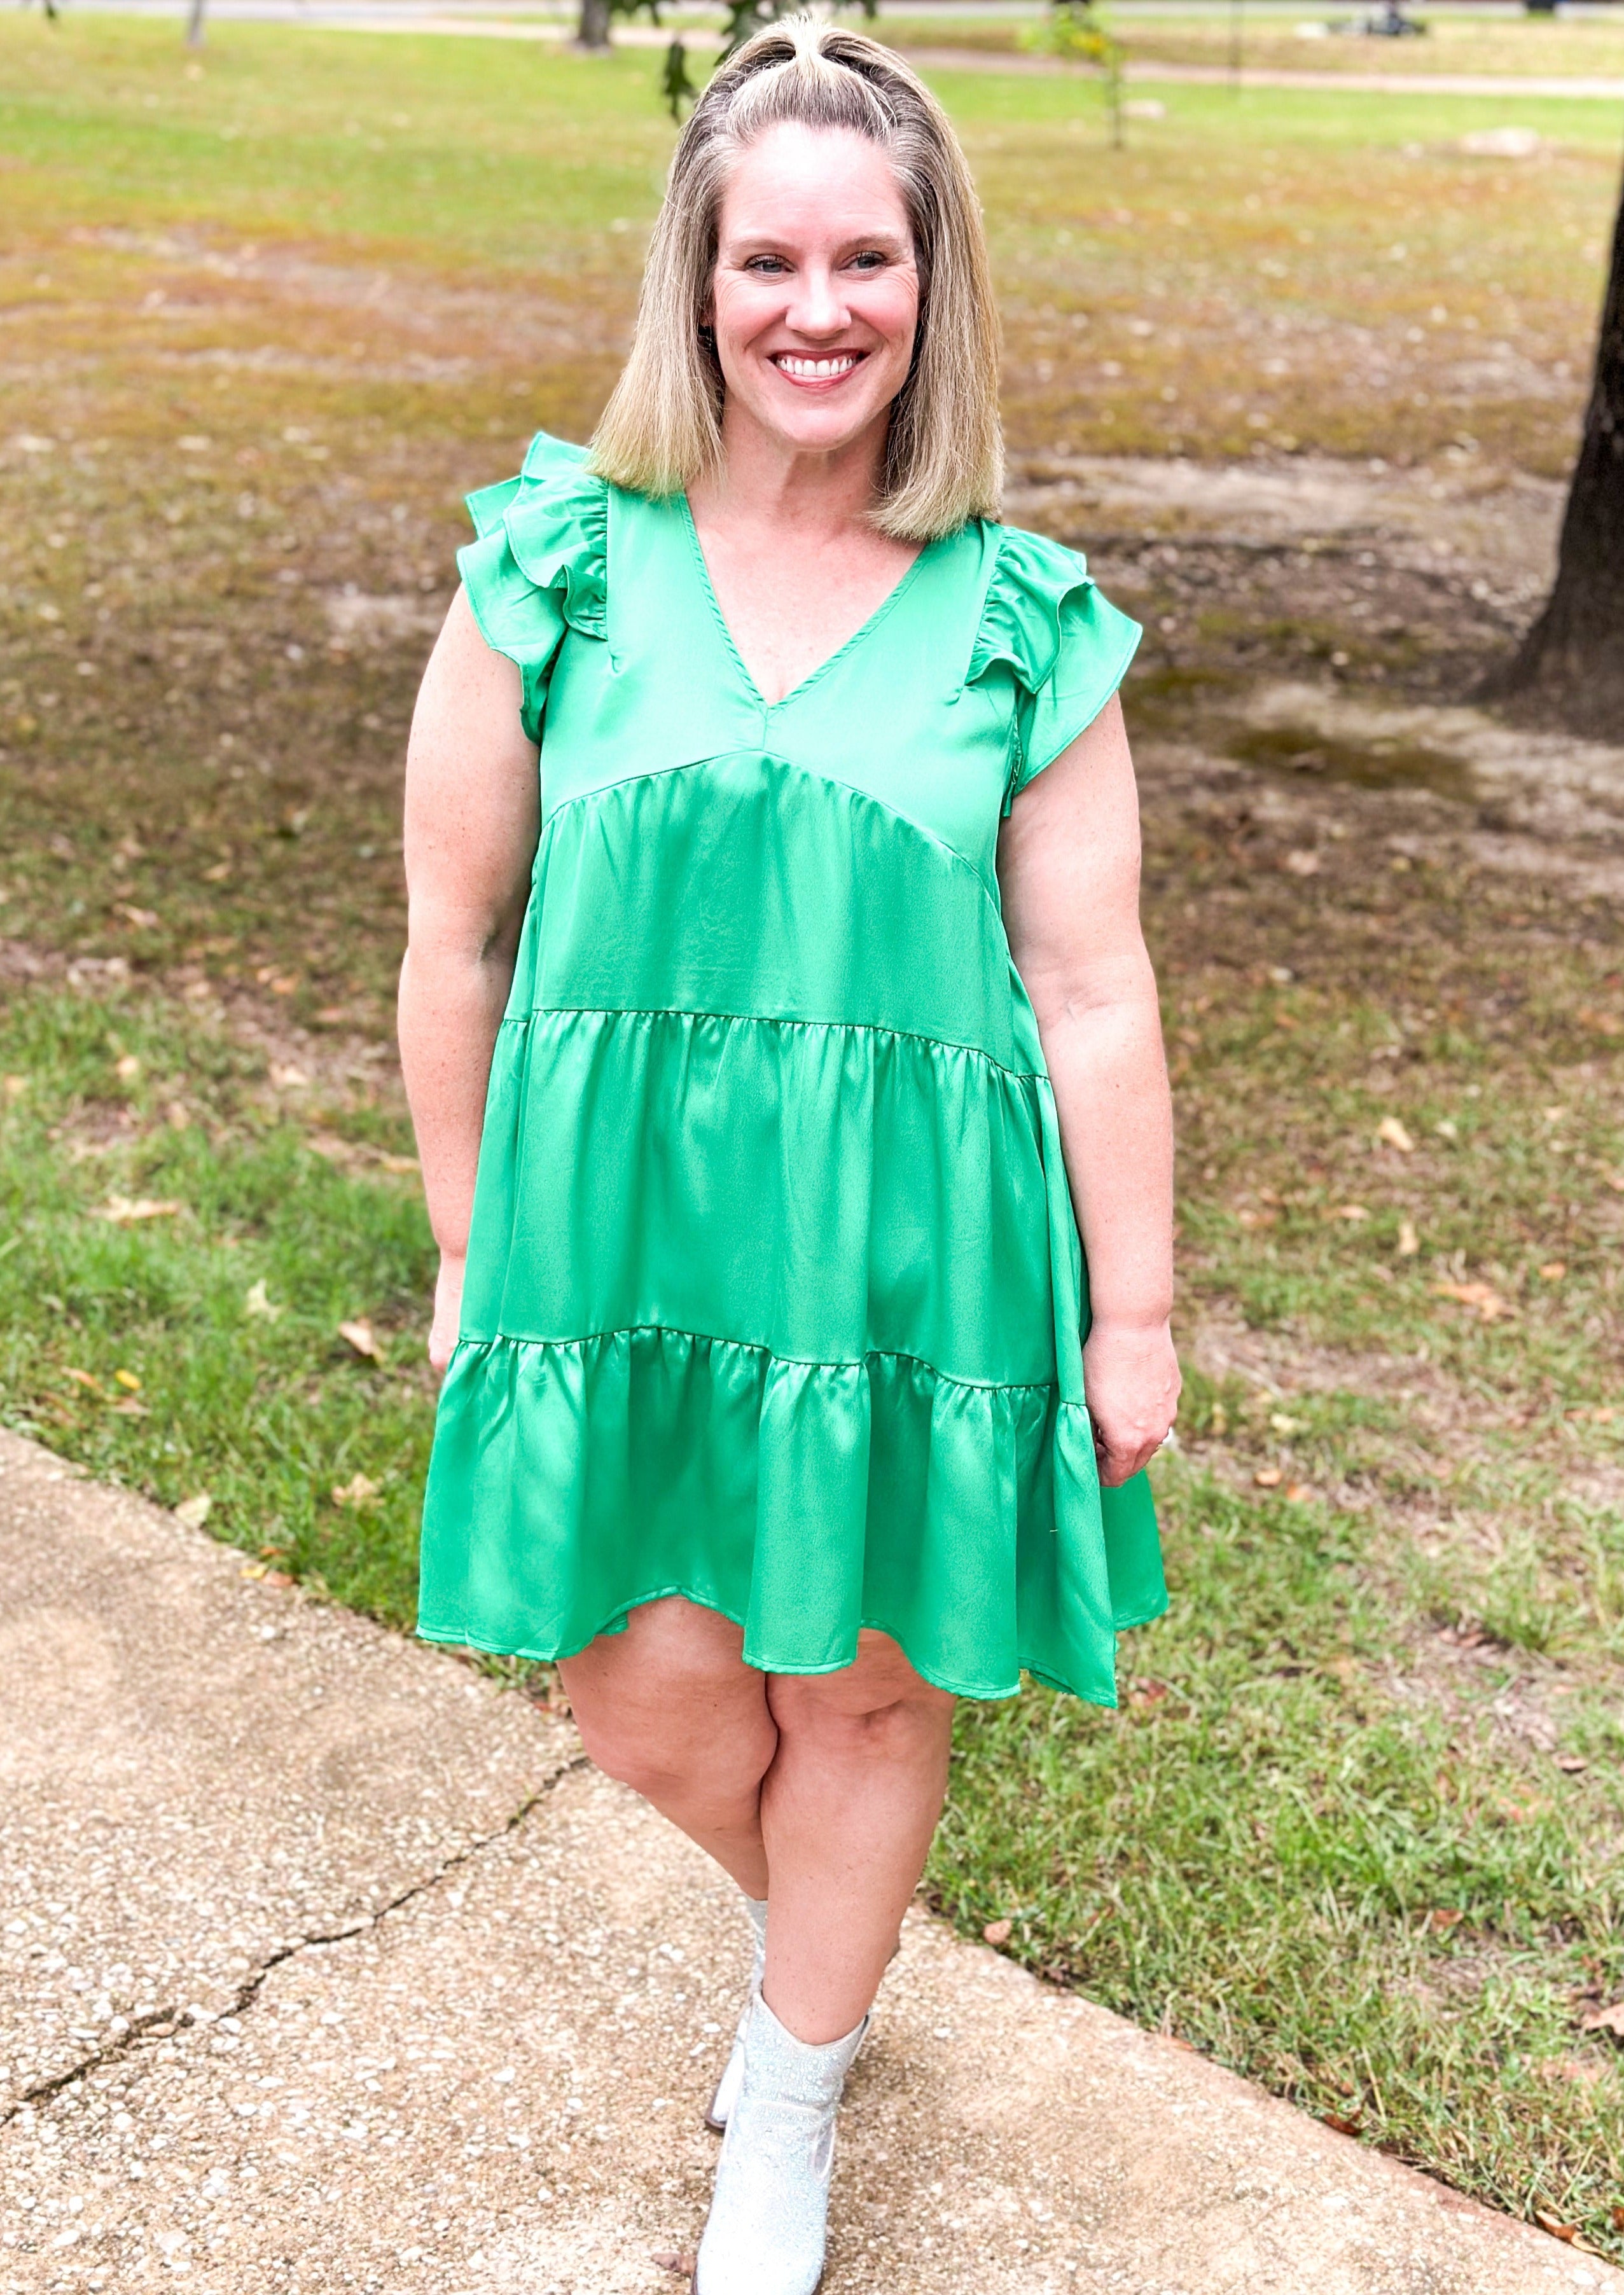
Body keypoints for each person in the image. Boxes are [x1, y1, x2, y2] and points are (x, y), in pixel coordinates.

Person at [398, 20, 1178, 2291]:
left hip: (909, 1259)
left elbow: (1093, 991)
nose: (816, 307)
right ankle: (818, 1950)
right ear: (700, 275)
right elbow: (451, 942)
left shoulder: (1017, 617)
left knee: (853, 1689)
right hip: (614, 1243)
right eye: (770, 258)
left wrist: (1128, 1310)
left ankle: (795, 2094)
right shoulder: (556, 562)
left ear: (931, 285)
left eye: (868, 257)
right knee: (639, 1690)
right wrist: (465, 1244)